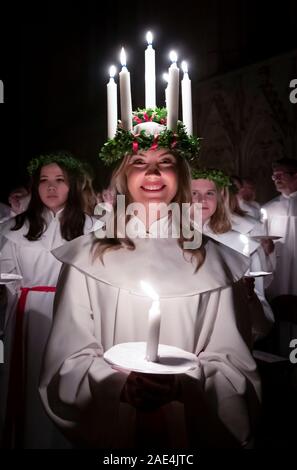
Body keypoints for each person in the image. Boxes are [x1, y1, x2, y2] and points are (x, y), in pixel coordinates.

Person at [39, 109, 260, 449]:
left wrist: (182, 387)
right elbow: (68, 357)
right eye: (139, 162)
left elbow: (233, 363)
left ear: (181, 174)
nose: (153, 172)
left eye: (166, 161)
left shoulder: (214, 260)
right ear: (123, 175)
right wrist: (118, 386)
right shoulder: (87, 257)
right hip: (114, 427)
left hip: (187, 427)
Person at [0, 152, 99, 449]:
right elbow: (7, 273)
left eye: (59, 180)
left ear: (73, 185)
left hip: (75, 314)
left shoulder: (93, 227)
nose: (51, 187)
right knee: (29, 382)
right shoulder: (15, 228)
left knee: (68, 382)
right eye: (44, 180)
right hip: (28, 316)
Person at [191, 168, 274, 344]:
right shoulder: (167, 238)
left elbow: (259, 308)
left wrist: (249, 298)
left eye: (209, 193)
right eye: (194, 193)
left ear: (220, 198)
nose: (201, 200)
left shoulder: (242, 244)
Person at [263, 158, 297, 299]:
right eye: (274, 176)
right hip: (279, 267)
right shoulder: (269, 208)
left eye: (280, 175)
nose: (276, 179)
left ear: (295, 175)